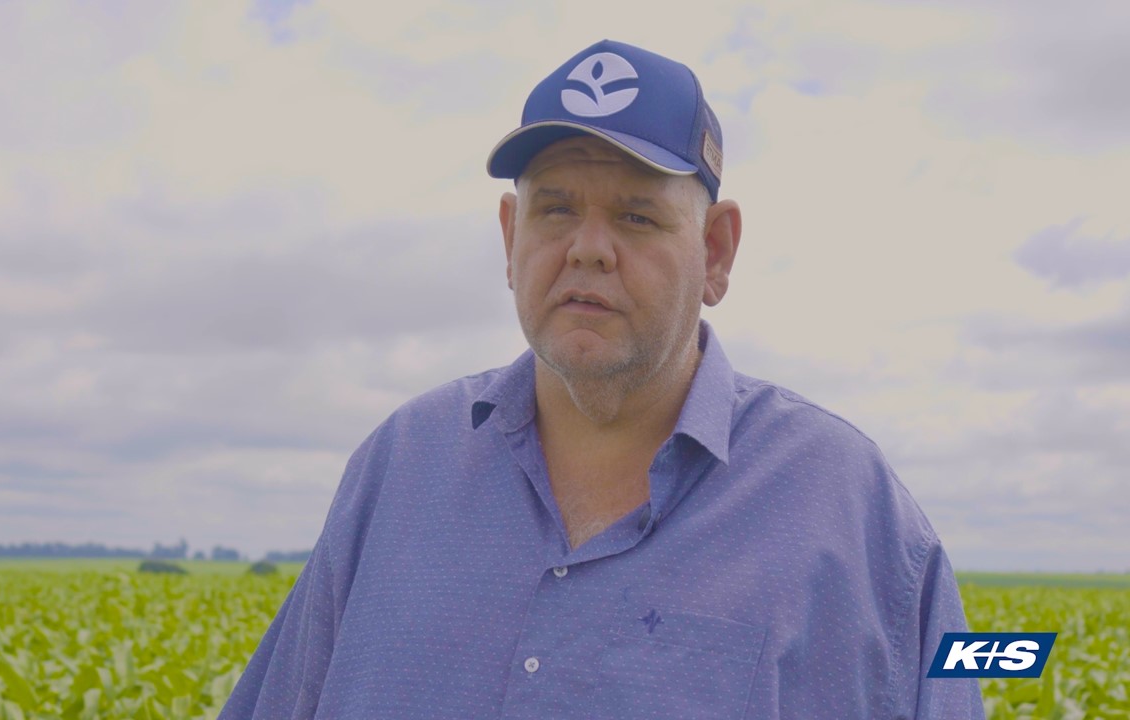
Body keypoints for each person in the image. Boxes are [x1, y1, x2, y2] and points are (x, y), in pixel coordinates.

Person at [220, 39, 984, 719]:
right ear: (510, 238)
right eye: (555, 209)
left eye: (636, 216)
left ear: (717, 253)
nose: (588, 248)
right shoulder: (397, 468)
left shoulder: (851, 510)